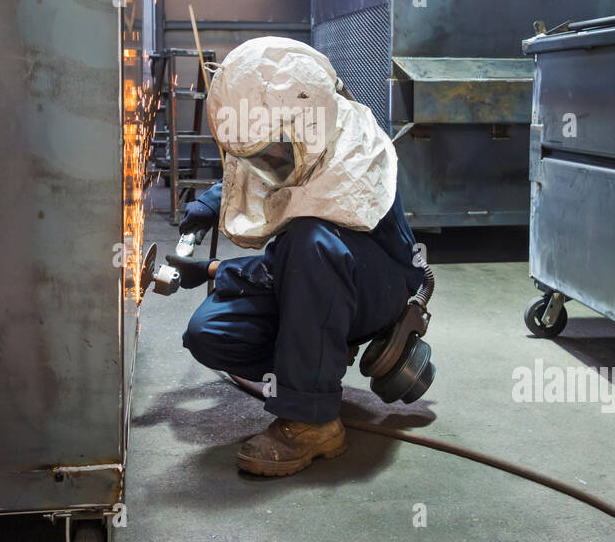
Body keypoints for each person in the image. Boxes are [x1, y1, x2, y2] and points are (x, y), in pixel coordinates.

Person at [166, 36, 428, 477]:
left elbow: (291, 261)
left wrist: (214, 269)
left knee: (309, 246)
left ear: (308, 124)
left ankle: (314, 421)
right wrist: (212, 203)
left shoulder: (349, 160)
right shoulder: (298, 133)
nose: (269, 161)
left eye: (274, 153)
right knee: (210, 332)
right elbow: (265, 169)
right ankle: (318, 352)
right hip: (314, 279)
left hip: (376, 283)